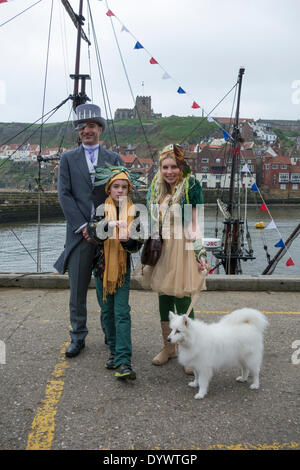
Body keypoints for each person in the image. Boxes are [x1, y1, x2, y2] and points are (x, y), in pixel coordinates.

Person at [54, 103, 122, 358]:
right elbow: (64, 195)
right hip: (79, 234)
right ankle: (78, 336)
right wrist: (83, 226)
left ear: (100, 129)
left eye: (91, 126)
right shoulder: (68, 159)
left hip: (107, 234)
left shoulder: (114, 159)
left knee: (109, 287)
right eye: (82, 127)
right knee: (78, 290)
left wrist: (105, 225)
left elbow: (121, 194)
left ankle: (110, 333)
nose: (86, 130)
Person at [144, 143, 209, 370]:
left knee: (183, 297)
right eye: (165, 167)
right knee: (163, 296)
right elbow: (153, 221)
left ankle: (190, 352)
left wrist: (200, 253)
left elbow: (195, 223)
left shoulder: (191, 186)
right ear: (160, 168)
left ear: (181, 167)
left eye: (174, 167)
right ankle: (169, 348)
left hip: (183, 247)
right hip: (163, 247)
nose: (169, 172)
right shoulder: (155, 188)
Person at [89, 166, 143, 380]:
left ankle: (123, 360)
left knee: (122, 312)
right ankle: (112, 349)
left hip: (121, 271)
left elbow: (137, 245)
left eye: (124, 187)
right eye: (116, 186)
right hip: (101, 270)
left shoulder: (135, 211)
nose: (120, 190)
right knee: (107, 312)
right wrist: (109, 225)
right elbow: (93, 233)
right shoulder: (101, 209)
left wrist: (128, 240)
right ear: (109, 189)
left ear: (128, 190)